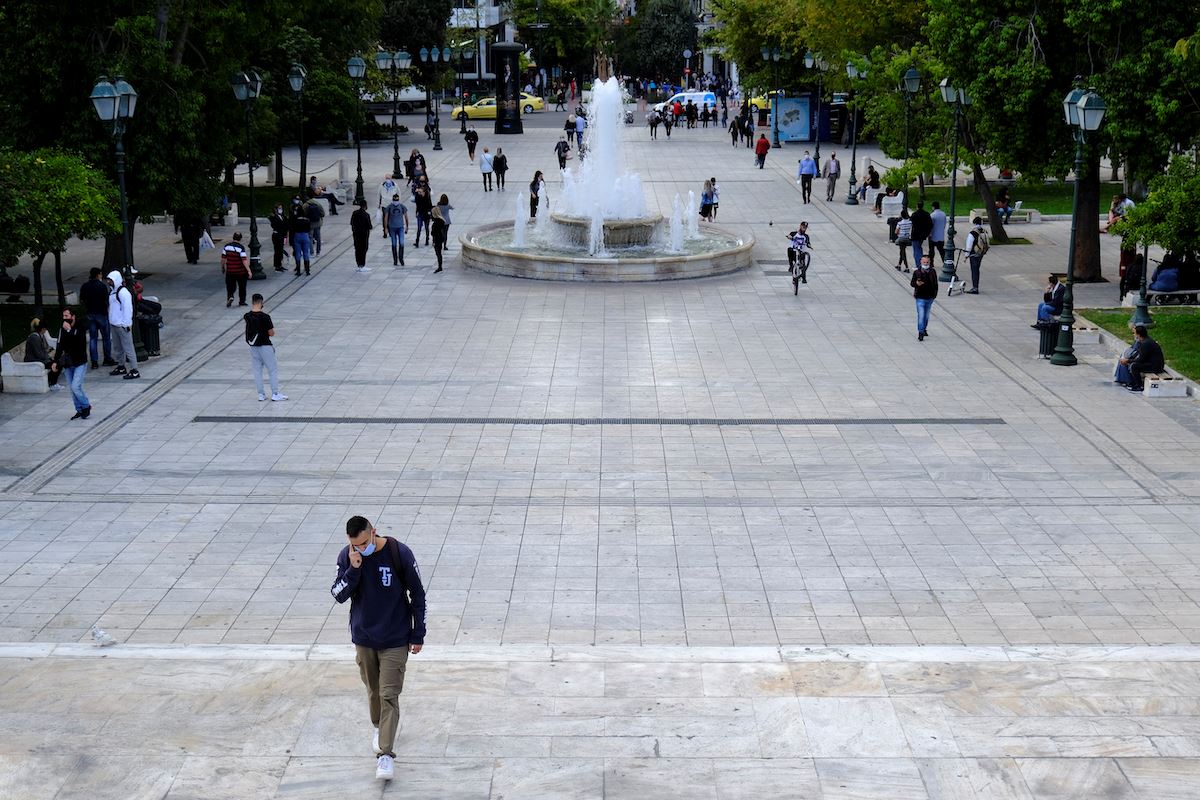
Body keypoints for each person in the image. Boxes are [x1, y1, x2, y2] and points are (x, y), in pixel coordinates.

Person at [330, 515, 426, 782]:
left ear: (373, 532)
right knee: (373, 691)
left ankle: (385, 753)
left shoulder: (399, 553)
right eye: (355, 545)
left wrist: (418, 632)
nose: (360, 549)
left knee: (388, 695)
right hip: (364, 638)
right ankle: (378, 726)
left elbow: (417, 594)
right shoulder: (348, 557)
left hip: (395, 638)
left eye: (363, 543)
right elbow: (338, 594)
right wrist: (354, 568)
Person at [245, 293, 286, 402]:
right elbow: (271, 333)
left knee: (257, 370)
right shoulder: (265, 317)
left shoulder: (247, 316)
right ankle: (275, 393)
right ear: (261, 302)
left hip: (253, 347)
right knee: (272, 370)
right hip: (265, 346)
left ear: (252, 301)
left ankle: (261, 394)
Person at [55, 307, 90, 419]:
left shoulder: (80, 327)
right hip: (68, 362)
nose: (64, 318)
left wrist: (69, 331)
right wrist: (55, 361)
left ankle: (85, 405)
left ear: (73, 316)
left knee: (76, 386)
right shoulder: (62, 328)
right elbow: (59, 345)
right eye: (63, 316)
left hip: (80, 361)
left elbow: (79, 343)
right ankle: (79, 409)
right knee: (72, 388)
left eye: (67, 316)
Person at [105, 270, 139, 380]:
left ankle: (134, 370)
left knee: (128, 348)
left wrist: (126, 324)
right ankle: (121, 366)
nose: (109, 282)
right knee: (117, 348)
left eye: (110, 280)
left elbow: (128, 309)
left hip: (122, 326)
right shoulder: (113, 292)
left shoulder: (123, 293)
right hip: (115, 324)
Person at [79, 267, 114, 369]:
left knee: (93, 338)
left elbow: (82, 300)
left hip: (90, 314)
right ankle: (107, 358)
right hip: (101, 314)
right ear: (98, 274)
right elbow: (106, 300)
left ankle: (94, 361)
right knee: (106, 338)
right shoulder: (102, 286)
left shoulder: (85, 286)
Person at [1121, 325, 1165, 392]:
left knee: (1134, 366)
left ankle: (1139, 385)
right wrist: (1129, 359)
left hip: (1155, 366)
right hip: (1151, 363)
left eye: (1134, 333)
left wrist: (1128, 361)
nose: (1134, 335)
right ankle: (1133, 382)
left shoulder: (1146, 343)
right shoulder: (1145, 340)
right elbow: (1139, 353)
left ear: (1138, 334)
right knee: (1133, 363)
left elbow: (1141, 359)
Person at [23, 318, 60, 389]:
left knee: (56, 363)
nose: (46, 331)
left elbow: (42, 351)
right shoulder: (34, 338)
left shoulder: (39, 336)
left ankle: (52, 382)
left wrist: (49, 358)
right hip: (33, 361)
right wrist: (48, 359)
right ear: (42, 329)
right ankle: (52, 383)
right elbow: (39, 354)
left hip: (38, 359)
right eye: (45, 329)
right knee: (56, 365)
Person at [911, 254, 939, 341]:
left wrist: (934, 295)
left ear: (929, 262)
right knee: (921, 315)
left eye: (927, 262)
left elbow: (935, 284)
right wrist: (917, 284)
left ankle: (924, 328)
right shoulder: (917, 272)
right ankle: (921, 332)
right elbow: (912, 283)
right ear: (921, 262)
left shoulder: (932, 271)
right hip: (920, 297)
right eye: (924, 262)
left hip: (930, 297)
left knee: (926, 316)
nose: (925, 264)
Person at [221, 231, 250, 307]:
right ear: (240, 239)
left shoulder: (226, 247)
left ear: (233, 237)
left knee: (230, 286)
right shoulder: (240, 248)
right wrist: (249, 270)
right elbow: (244, 260)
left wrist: (223, 267)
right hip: (241, 272)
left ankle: (230, 296)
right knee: (242, 287)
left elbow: (223, 259)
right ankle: (242, 301)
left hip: (230, 271)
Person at [963, 216, 988, 293]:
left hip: (974, 253)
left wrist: (966, 255)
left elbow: (969, 245)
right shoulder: (983, 231)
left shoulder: (973, 233)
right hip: (981, 252)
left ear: (974, 223)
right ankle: (975, 286)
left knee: (974, 270)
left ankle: (975, 288)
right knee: (977, 269)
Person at [787, 222, 813, 294]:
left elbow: (808, 242)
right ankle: (791, 266)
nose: (804, 229)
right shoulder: (794, 233)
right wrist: (789, 237)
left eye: (805, 228)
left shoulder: (806, 236)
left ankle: (803, 277)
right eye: (803, 227)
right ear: (800, 226)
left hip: (801, 252)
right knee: (789, 250)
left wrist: (809, 245)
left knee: (803, 264)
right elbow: (789, 235)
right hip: (794, 250)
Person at [385, 194, 409, 266]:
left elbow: (406, 217)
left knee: (401, 243)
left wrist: (407, 227)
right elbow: (385, 218)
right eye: (395, 200)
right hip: (392, 228)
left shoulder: (402, 206)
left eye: (397, 200)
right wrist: (386, 228)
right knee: (394, 243)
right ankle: (395, 259)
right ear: (392, 200)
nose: (396, 202)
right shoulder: (389, 207)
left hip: (400, 227)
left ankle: (401, 258)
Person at [289, 205, 313, 276]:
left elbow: (292, 229)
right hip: (305, 235)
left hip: (297, 235)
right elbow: (309, 229)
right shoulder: (307, 220)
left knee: (298, 253)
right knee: (306, 253)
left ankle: (298, 270)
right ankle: (307, 270)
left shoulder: (296, 220)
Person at [351, 199, 373, 274]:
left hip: (356, 234)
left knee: (357, 249)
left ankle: (359, 264)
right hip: (364, 235)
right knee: (363, 249)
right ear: (365, 206)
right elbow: (369, 226)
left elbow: (352, 223)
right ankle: (362, 265)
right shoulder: (366, 215)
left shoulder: (354, 213)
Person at [909, 202, 933, 266]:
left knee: (916, 250)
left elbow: (911, 223)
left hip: (915, 234)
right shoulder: (926, 214)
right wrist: (927, 233)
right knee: (919, 247)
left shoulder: (914, 214)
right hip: (923, 235)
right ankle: (922, 262)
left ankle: (919, 264)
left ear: (917, 206)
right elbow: (930, 224)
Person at [268, 204, 289, 272]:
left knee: (281, 250)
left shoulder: (283, 216)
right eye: (279, 208)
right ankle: (277, 265)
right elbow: (274, 225)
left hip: (282, 234)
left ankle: (280, 264)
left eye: (281, 208)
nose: (281, 209)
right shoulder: (274, 217)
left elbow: (286, 224)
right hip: (277, 235)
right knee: (277, 250)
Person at [412, 183, 432, 248]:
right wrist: (416, 193)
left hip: (426, 214)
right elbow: (416, 203)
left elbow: (430, 206)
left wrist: (429, 212)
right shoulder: (418, 197)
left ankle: (427, 239)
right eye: (419, 192)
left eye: (420, 192)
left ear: (424, 192)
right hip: (420, 214)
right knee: (419, 228)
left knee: (426, 228)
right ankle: (417, 241)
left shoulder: (427, 198)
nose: (419, 193)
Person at [928, 201, 947, 266]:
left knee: (931, 251)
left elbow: (930, 226)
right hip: (941, 236)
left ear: (933, 207)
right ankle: (945, 262)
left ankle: (931, 263)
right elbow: (944, 225)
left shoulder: (932, 215)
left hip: (933, 236)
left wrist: (929, 234)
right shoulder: (943, 214)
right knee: (942, 251)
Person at [431, 207, 447, 274]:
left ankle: (440, 267)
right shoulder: (442, 220)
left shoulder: (435, 223)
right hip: (441, 238)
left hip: (437, 239)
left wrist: (433, 242)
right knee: (439, 253)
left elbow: (433, 233)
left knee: (438, 253)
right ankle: (440, 266)